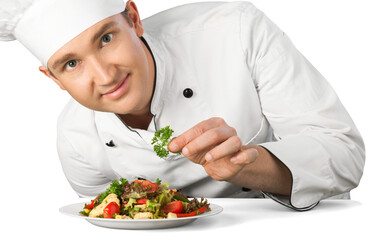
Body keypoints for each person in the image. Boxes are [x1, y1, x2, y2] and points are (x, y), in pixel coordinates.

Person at [0, 0, 365, 211]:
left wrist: (247, 166)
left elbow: (345, 155)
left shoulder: (235, 31)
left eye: (106, 38)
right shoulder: (77, 140)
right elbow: (110, 223)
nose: (105, 75)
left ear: (133, 18)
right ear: (53, 79)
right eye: (72, 64)